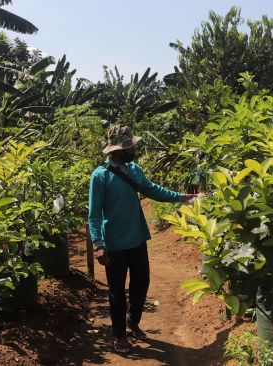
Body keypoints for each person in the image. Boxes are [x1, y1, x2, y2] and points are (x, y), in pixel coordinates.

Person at [88, 124, 197, 353]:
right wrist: (98, 244)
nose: (133, 150)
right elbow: (94, 214)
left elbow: (153, 190)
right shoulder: (100, 176)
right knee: (116, 292)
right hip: (115, 245)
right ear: (118, 150)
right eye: (129, 147)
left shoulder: (134, 170)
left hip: (137, 240)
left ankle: (133, 321)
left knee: (141, 283)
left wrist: (184, 198)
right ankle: (119, 336)